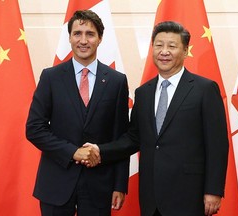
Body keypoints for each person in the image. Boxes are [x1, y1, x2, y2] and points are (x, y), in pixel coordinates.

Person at [83, 21, 229, 216]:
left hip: (189, 195)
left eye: (172, 46)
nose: (164, 51)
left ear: (185, 51)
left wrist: (213, 190)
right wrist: (100, 149)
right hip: (151, 196)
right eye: (159, 45)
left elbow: (217, 144)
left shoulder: (204, 89)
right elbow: (133, 138)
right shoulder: (143, 92)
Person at [26, 10, 130, 216]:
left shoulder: (117, 81)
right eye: (77, 33)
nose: (83, 40)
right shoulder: (51, 77)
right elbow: (34, 129)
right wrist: (73, 152)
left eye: (90, 34)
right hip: (56, 182)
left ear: (100, 38)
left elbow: (121, 137)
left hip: (99, 185)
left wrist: (120, 184)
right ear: (70, 38)